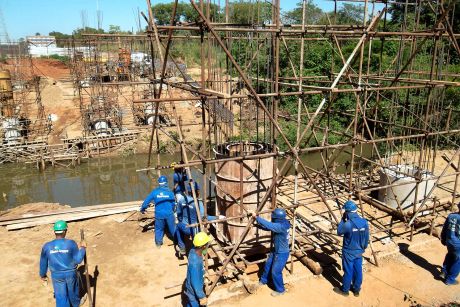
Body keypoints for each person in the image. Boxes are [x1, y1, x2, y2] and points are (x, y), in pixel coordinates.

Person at [39, 220, 86, 307]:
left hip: (56, 275)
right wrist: (83, 248)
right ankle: (76, 303)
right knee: (73, 291)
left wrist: (42, 275)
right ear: (65, 231)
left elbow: (43, 262)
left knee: (60, 296)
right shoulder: (71, 243)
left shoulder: (47, 246)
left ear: (54, 232)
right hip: (71, 273)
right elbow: (78, 260)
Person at [250, 208, 291, 296]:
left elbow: (269, 225)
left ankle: (280, 290)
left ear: (277, 218)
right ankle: (264, 280)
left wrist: (256, 217)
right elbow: (269, 227)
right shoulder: (284, 222)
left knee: (275, 272)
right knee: (268, 265)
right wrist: (256, 226)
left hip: (282, 253)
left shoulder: (281, 227)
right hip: (275, 250)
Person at [176, 181, 223, 256]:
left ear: (188, 191)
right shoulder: (198, 203)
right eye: (198, 191)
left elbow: (179, 214)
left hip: (184, 226)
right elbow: (204, 218)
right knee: (199, 242)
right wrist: (218, 217)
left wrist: (182, 221)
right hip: (194, 229)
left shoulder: (182, 200)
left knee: (178, 227)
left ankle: (182, 248)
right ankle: (201, 253)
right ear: (197, 191)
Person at [334, 200, 369, 297]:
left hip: (349, 251)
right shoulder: (364, 222)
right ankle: (356, 290)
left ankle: (345, 290)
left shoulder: (348, 224)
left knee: (348, 270)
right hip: (359, 251)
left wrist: (342, 219)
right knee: (358, 270)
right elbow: (366, 238)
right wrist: (363, 248)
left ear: (347, 212)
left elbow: (339, 231)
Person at [140, 175, 176, 248]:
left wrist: (143, 209)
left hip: (159, 214)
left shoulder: (155, 192)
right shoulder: (170, 193)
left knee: (159, 228)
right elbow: (173, 204)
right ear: (166, 182)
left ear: (159, 183)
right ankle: (177, 241)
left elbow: (146, 202)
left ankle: (158, 243)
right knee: (173, 228)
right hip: (169, 213)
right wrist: (172, 210)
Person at [184, 232, 211, 307]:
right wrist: (202, 297)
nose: (208, 245)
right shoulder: (195, 264)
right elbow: (196, 284)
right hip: (193, 292)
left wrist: (203, 272)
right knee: (194, 304)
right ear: (203, 246)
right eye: (207, 244)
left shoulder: (193, 251)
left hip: (190, 289)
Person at [440, 202, 460, 285]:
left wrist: (443, 239)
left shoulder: (451, 216)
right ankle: (450, 279)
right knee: (458, 260)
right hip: (458, 243)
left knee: (450, 254)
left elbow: (444, 228)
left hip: (449, 241)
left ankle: (444, 272)